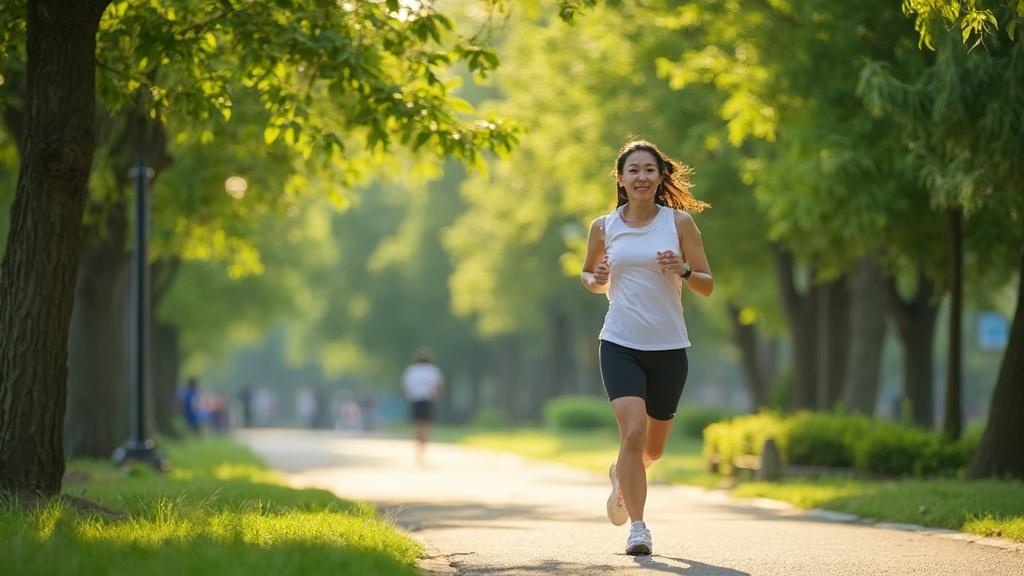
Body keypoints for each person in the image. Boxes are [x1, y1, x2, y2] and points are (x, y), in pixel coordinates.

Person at [580, 140, 713, 556]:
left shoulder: (680, 224)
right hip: (619, 342)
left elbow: (706, 285)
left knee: (652, 449)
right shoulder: (603, 227)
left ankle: (622, 474)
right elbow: (588, 275)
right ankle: (638, 528)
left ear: (660, 177)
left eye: (649, 170)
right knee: (633, 432)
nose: (641, 177)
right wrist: (596, 279)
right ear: (620, 179)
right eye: (633, 170)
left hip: (669, 347)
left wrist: (683, 269)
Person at [401, 347, 445, 464]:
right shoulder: (433, 371)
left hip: (415, 400)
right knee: (426, 427)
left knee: (417, 426)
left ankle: (418, 450)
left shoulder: (411, 370)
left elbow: (406, 388)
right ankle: (423, 450)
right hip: (428, 400)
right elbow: (438, 387)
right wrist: (437, 397)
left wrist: (410, 396)